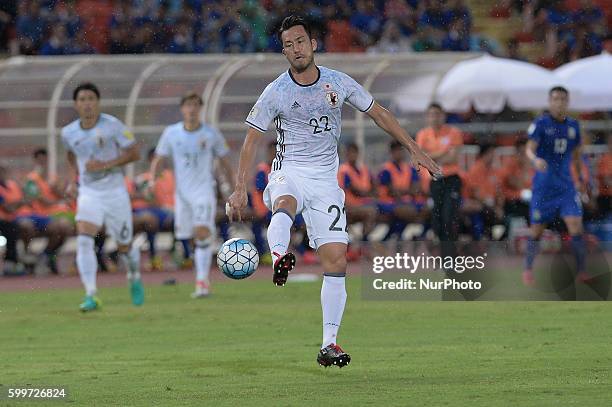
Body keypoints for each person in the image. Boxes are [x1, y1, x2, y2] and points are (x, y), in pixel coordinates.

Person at [227, 15, 440, 368]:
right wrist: (239, 188)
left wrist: (413, 147)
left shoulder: (338, 84)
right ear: (284, 52)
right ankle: (280, 256)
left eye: (299, 41)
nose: (294, 49)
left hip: (326, 180)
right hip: (289, 169)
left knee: (337, 260)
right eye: (288, 45)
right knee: (284, 203)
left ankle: (329, 343)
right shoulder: (276, 90)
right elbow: (252, 137)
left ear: (313, 44)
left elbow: (378, 113)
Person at [62, 82, 144, 312]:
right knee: (84, 237)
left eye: (91, 98)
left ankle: (134, 275)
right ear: (76, 104)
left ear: (97, 102)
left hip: (115, 192)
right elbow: (71, 155)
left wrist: (106, 164)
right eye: (82, 99)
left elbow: (134, 152)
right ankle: (91, 294)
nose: (87, 103)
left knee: (124, 247)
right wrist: (72, 181)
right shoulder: (68, 133)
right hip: (89, 193)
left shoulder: (113, 125)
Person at [150, 91, 235, 298]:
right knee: (187, 237)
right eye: (188, 105)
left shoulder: (211, 134)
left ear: (200, 108)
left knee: (201, 232)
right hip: (182, 196)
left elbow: (225, 163)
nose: (192, 109)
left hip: (203, 191)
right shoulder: (171, 133)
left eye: (196, 105)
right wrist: (152, 180)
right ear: (182, 108)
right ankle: (200, 266)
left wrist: (235, 190)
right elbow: (159, 159)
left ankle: (202, 282)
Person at [523, 86, 588, 286]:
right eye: (555, 99)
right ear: (550, 102)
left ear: (567, 103)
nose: (559, 103)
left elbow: (577, 156)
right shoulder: (541, 124)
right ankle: (528, 269)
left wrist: (583, 180)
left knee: (576, 225)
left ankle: (581, 272)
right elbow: (529, 149)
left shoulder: (574, 126)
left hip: (566, 186)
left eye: (562, 99)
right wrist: (535, 160)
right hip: (544, 188)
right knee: (536, 230)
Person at [416, 103, 463, 255]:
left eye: (437, 114)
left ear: (443, 115)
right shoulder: (423, 135)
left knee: (449, 216)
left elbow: (453, 157)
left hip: (451, 180)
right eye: (431, 114)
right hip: (433, 181)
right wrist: (443, 152)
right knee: (437, 219)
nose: (434, 118)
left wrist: (431, 155)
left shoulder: (453, 132)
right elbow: (420, 157)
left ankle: (450, 254)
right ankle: (443, 253)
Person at [19, 148, 74, 274]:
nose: (43, 161)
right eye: (40, 159)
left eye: (45, 159)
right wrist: (57, 196)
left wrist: (59, 190)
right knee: (61, 226)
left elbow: (64, 195)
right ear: (35, 160)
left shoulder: (53, 177)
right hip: (39, 215)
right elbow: (41, 200)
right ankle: (31, 256)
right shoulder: (31, 179)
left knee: (66, 228)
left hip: (54, 214)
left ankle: (47, 254)